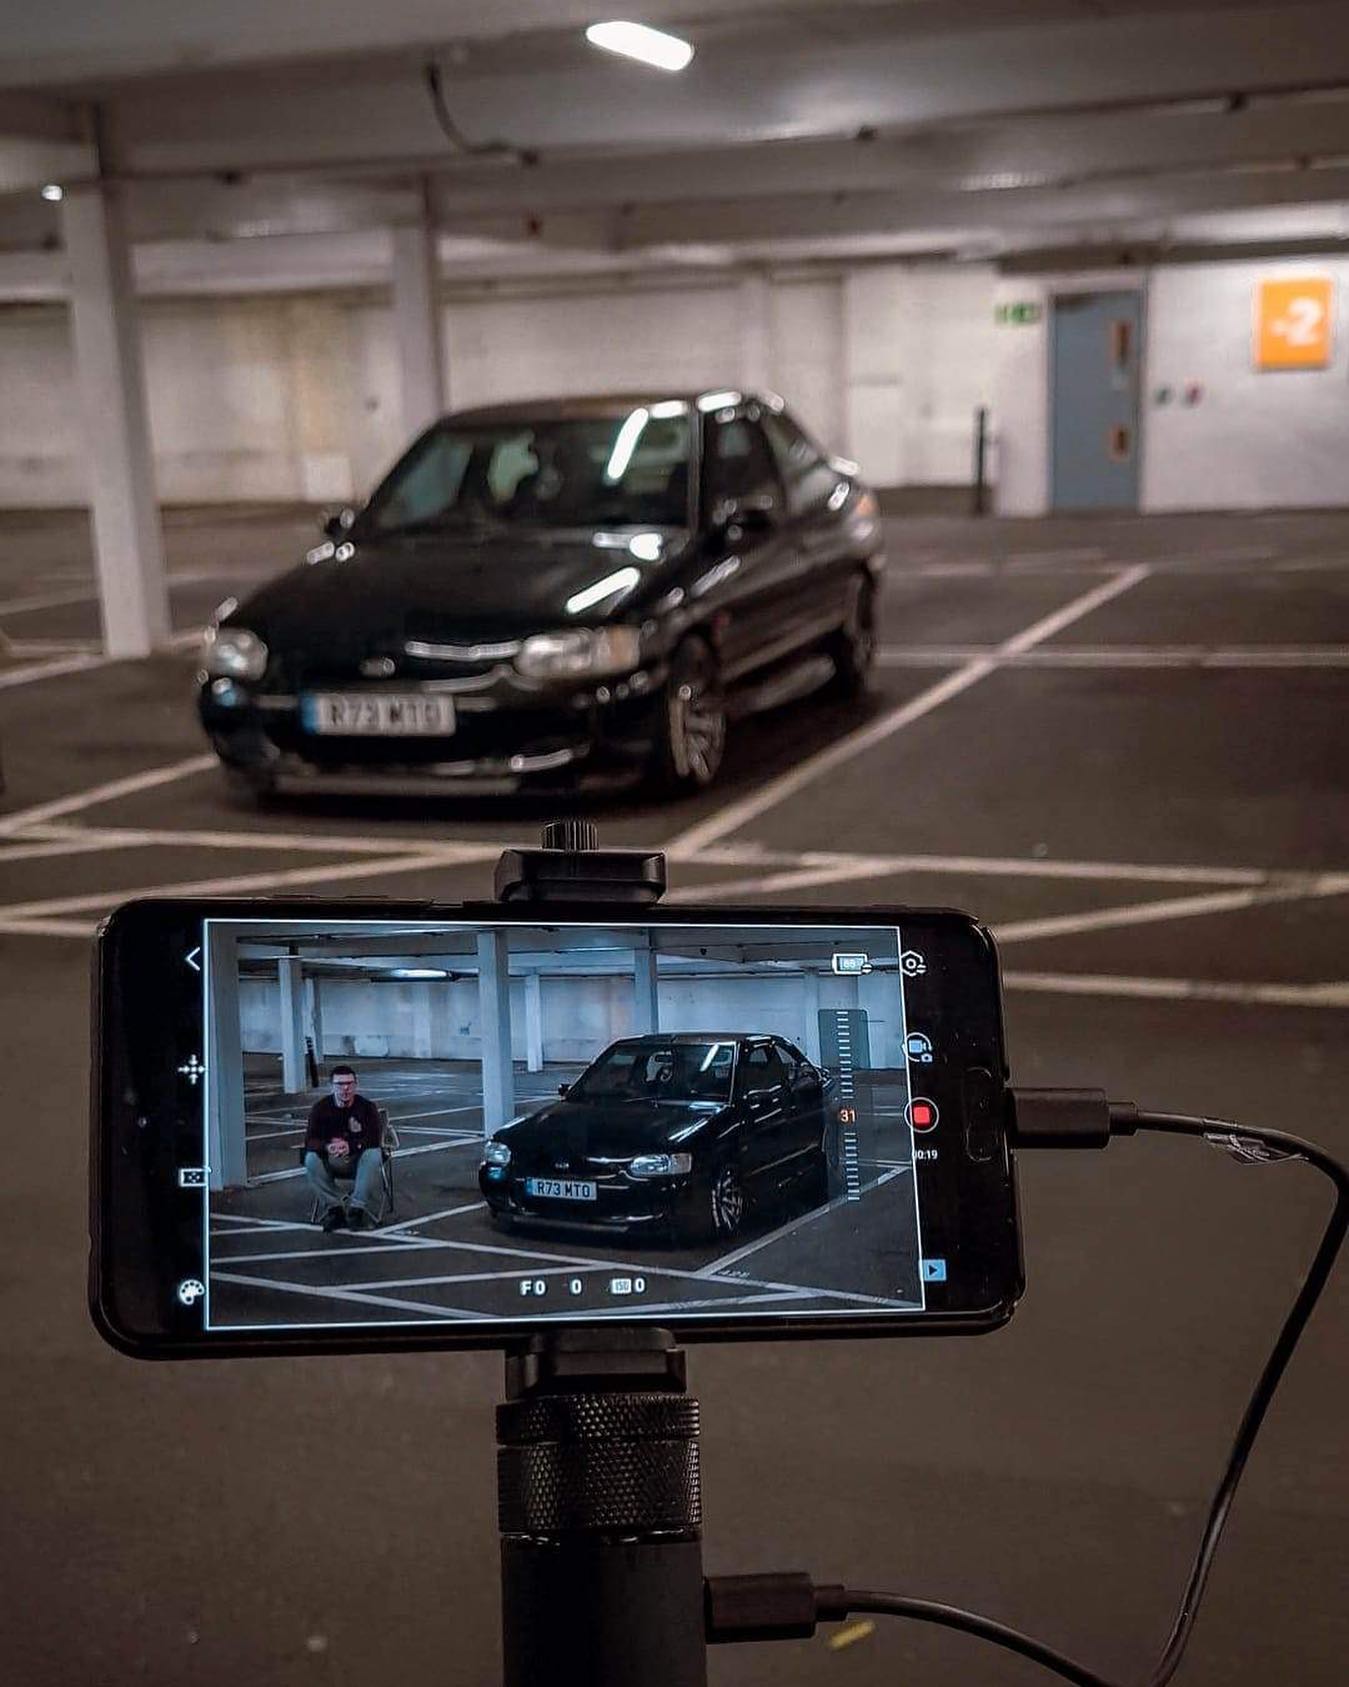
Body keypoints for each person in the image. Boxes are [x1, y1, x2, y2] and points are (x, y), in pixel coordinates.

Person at [303, 1066, 384, 1233]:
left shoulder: (367, 1107)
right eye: (340, 1084)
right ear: (332, 1086)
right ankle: (335, 1209)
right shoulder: (320, 1108)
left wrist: (350, 1145)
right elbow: (310, 1140)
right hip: (331, 1158)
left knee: (374, 1153)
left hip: (359, 1160)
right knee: (310, 1158)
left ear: (356, 1085)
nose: (345, 1088)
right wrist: (328, 1146)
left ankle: (357, 1210)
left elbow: (374, 1138)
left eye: (349, 1083)